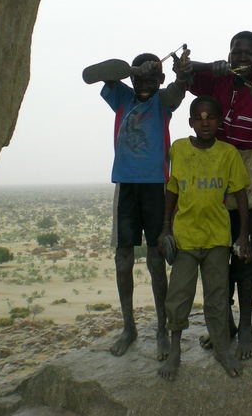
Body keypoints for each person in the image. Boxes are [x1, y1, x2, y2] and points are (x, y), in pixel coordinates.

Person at [86, 48, 191, 360]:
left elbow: (178, 89)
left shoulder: (162, 103)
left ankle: (162, 328)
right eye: (139, 77)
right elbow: (90, 75)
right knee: (123, 259)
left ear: (160, 79)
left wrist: (181, 74)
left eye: (152, 77)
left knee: (157, 259)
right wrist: (131, 71)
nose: (145, 83)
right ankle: (129, 327)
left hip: (156, 187)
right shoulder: (122, 97)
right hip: (126, 186)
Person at [188, 31, 252, 359]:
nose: (241, 57)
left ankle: (244, 330)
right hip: (214, 170)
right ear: (228, 54)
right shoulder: (218, 81)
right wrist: (205, 66)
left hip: (250, 172)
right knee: (217, 258)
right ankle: (222, 326)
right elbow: (185, 74)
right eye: (236, 51)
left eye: (248, 53)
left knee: (245, 255)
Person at [158, 96, 252, 380]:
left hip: (217, 239)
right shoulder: (179, 149)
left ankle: (222, 349)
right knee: (178, 297)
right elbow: (172, 190)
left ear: (219, 120)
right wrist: (166, 228)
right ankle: (175, 352)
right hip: (185, 238)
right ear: (190, 122)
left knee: (218, 298)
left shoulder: (228, 153)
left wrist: (243, 234)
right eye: (198, 117)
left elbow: (241, 195)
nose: (205, 122)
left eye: (210, 116)